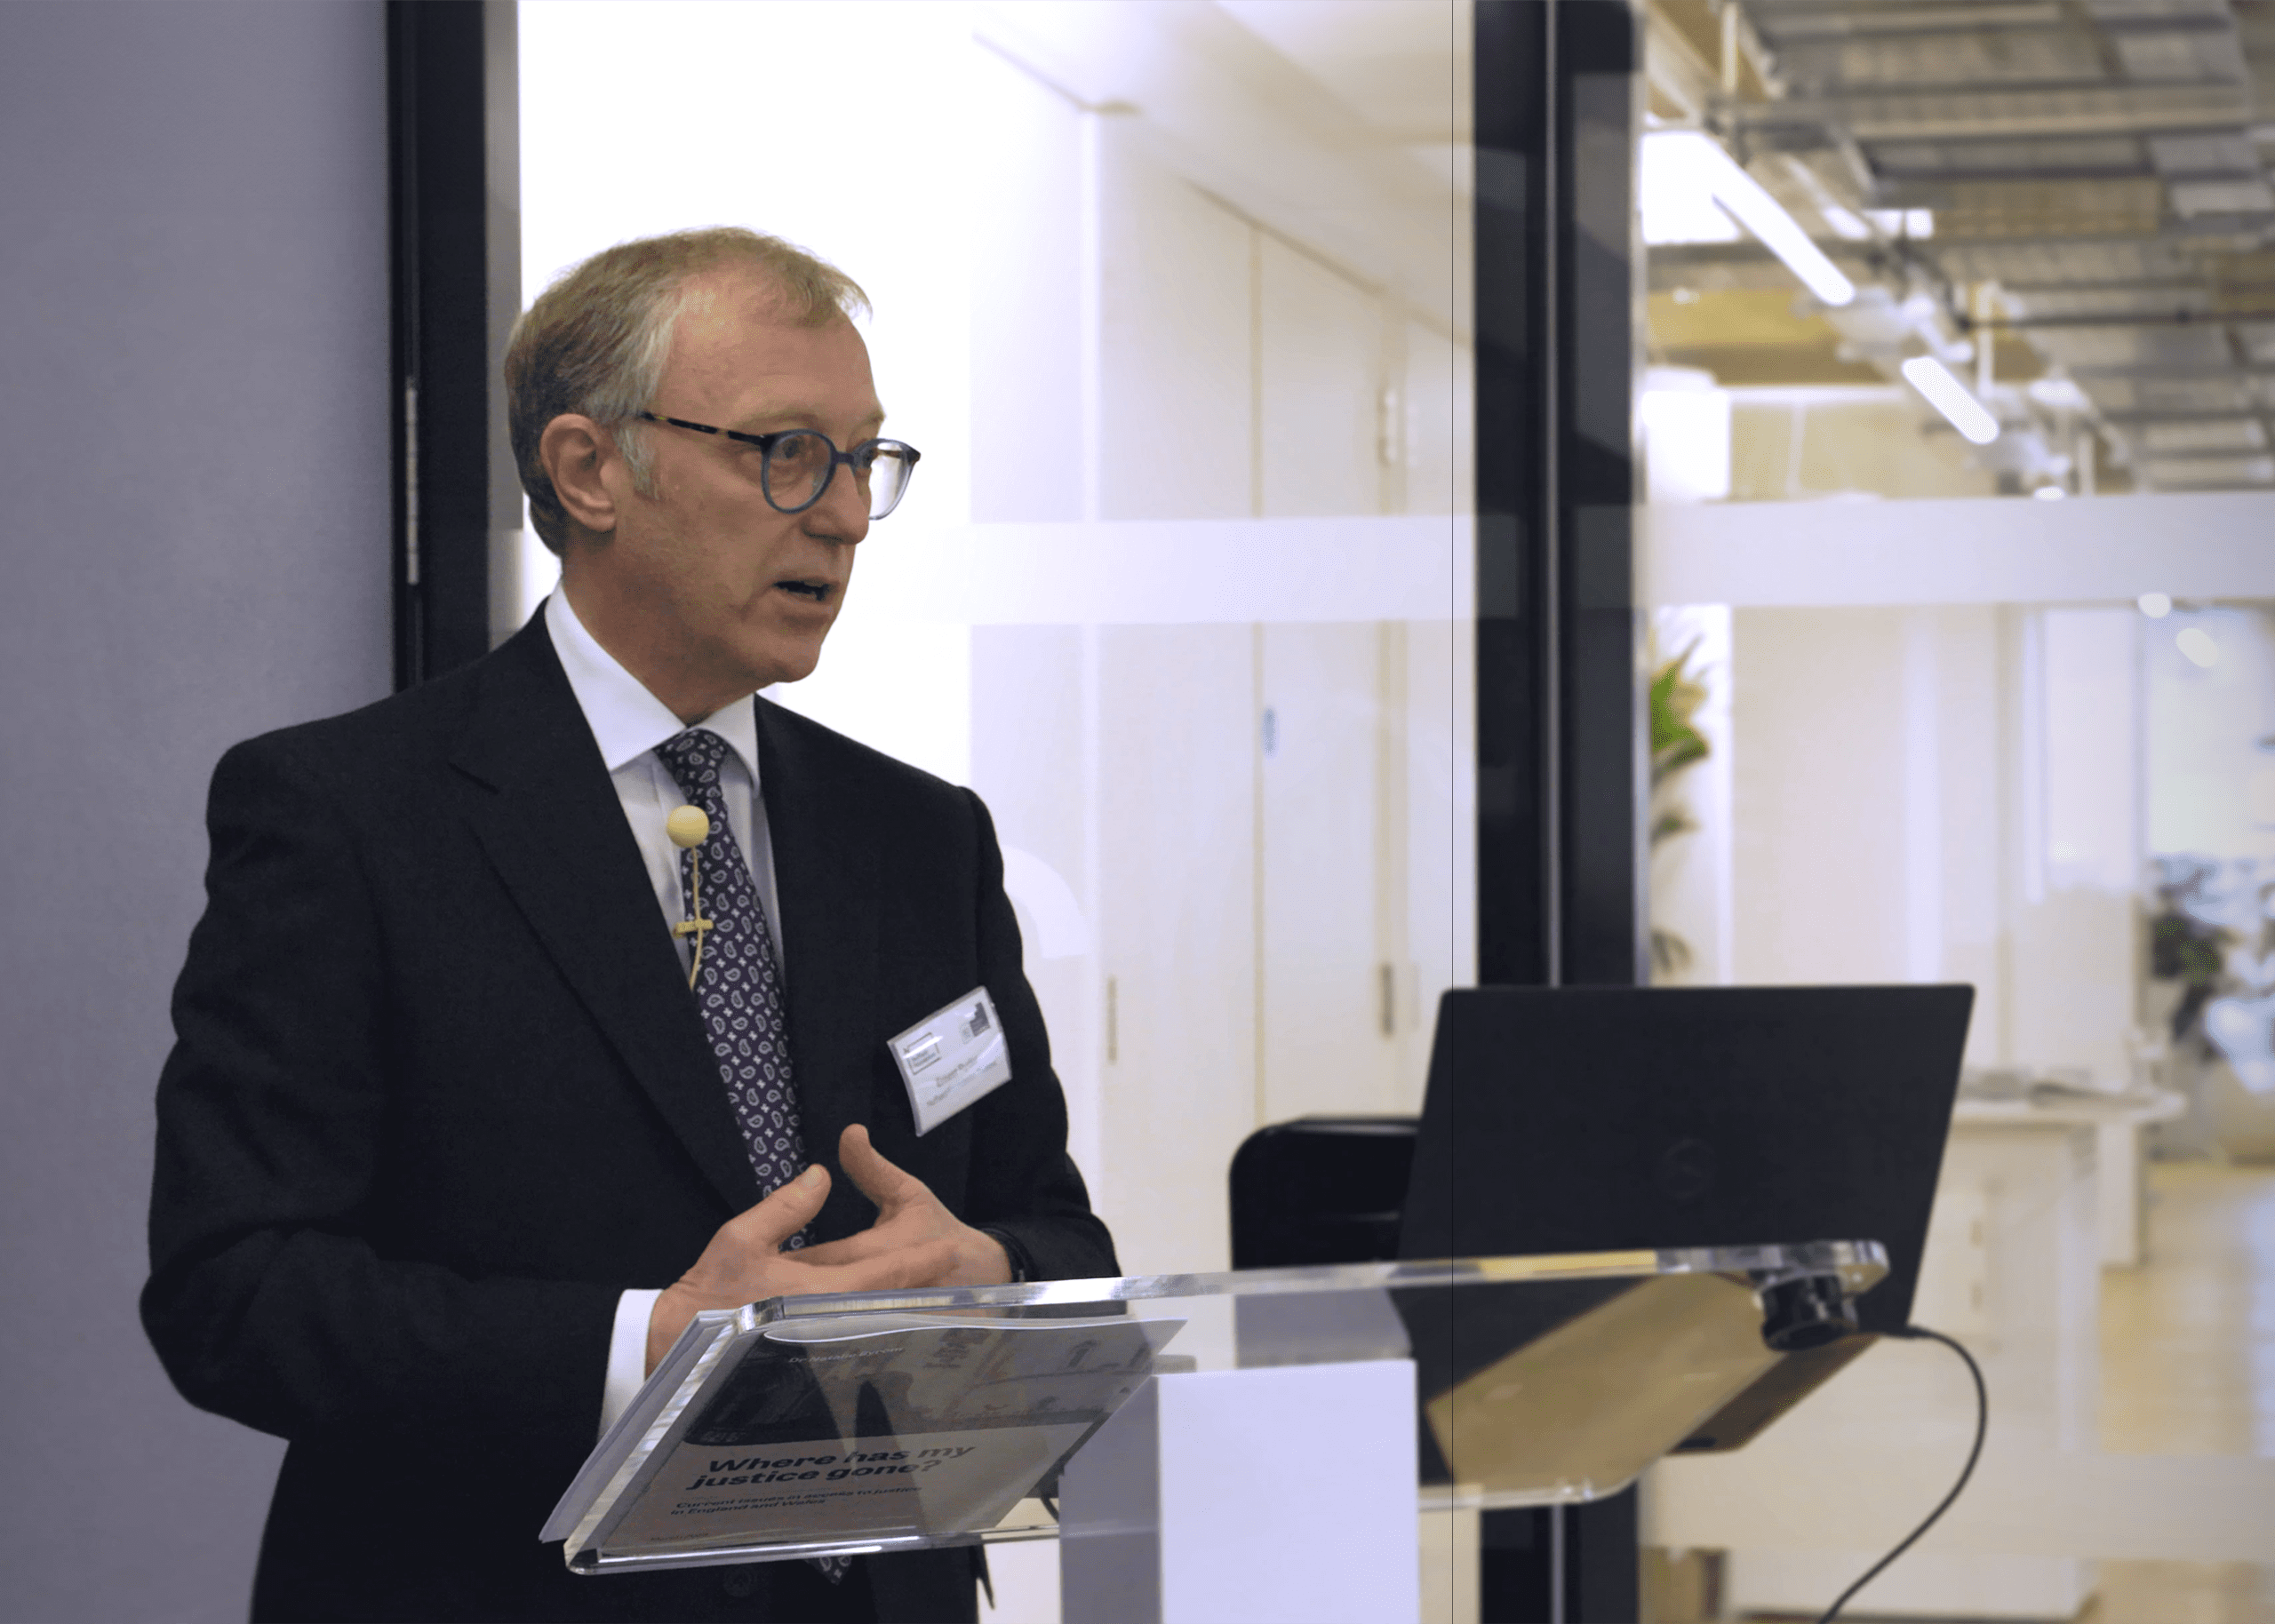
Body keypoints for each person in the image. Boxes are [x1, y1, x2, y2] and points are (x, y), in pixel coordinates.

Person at [141, 227, 1117, 1623]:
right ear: (590, 468)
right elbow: (238, 1294)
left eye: (865, 460)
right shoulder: (348, 814)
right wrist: (645, 1345)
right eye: (785, 451)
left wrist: (993, 1275)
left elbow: (1057, 1233)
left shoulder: (920, 835)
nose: (841, 514)